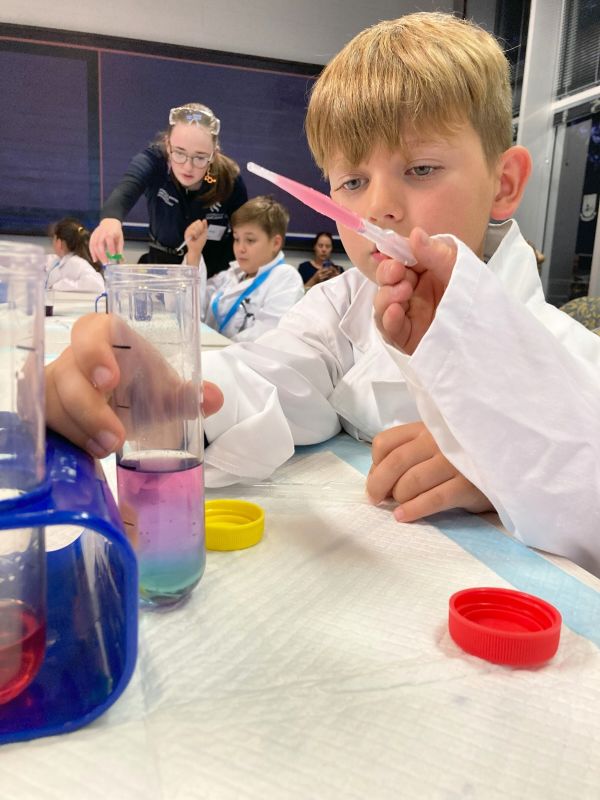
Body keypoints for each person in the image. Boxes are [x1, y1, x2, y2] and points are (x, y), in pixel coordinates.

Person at [45, 13, 600, 575]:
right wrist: (150, 389)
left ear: (503, 184)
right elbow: (262, 382)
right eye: (352, 182)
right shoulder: (341, 307)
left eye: (421, 168)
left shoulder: (569, 357)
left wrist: (502, 461)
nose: (377, 209)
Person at [89, 103, 248, 278]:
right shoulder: (154, 162)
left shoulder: (228, 178)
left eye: (200, 157)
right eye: (179, 153)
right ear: (167, 144)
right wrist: (110, 221)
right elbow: (126, 189)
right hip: (162, 268)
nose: (188, 167)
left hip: (216, 274)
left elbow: (247, 229)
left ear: (213, 154)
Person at [187, 196, 304, 342]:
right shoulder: (230, 275)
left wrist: (217, 348)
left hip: (240, 357)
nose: (240, 248)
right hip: (212, 353)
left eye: (250, 240)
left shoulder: (286, 279)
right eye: (236, 239)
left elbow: (266, 338)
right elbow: (191, 309)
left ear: (275, 243)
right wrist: (194, 252)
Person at [45, 218, 105, 293]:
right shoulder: (59, 260)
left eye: (53, 239)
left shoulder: (76, 262)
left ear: (59, 242)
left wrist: (58, 286)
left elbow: (97, 285)